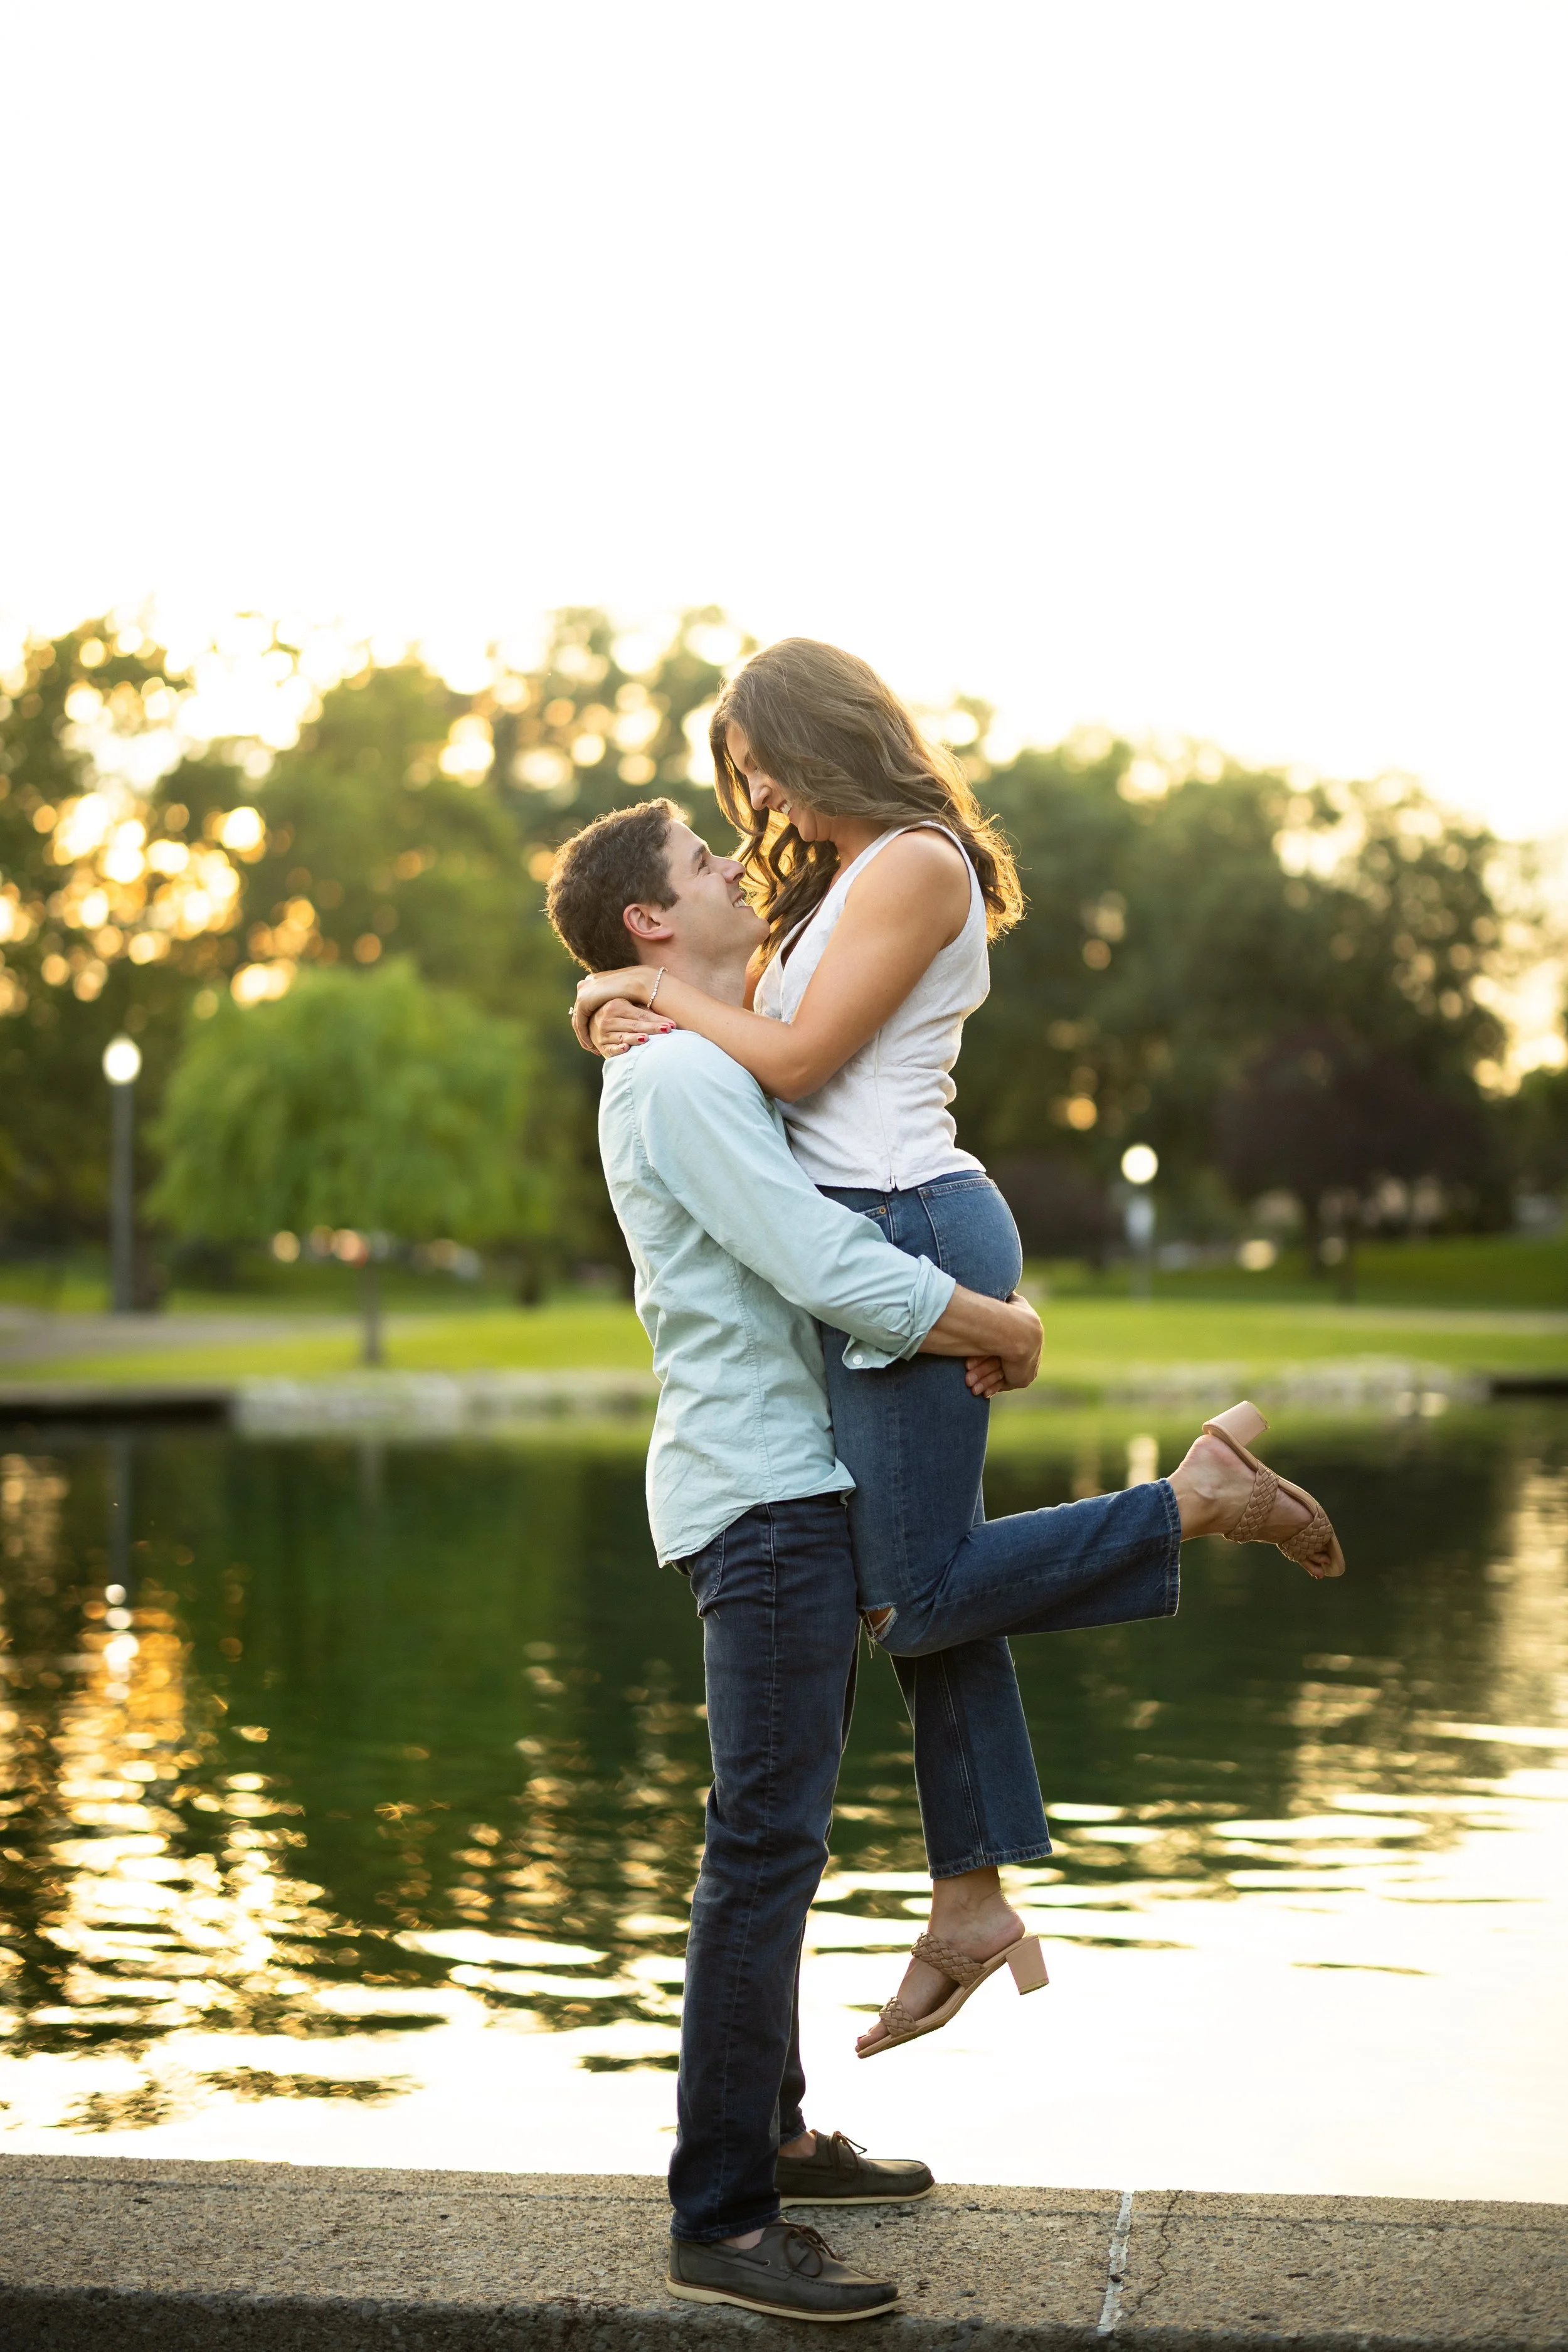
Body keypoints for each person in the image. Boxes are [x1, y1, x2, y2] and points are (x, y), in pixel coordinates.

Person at [546, 795, 1343, 2318]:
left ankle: (771, 2135)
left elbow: (802, 1096)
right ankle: (717, 2218)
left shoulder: (679, 1044)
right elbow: (816, 1255)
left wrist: (617, 990)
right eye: (700, 865)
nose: (730, 868)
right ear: (649, 918)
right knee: (759, 1851)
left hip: (786, 1482)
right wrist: (993, 1322)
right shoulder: (672, 1088)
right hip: (763, 1498)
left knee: (774, 1833)